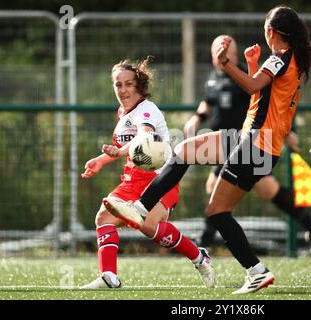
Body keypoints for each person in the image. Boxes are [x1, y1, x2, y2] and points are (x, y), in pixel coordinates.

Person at [103, 6, 311, 294]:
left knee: (217, 211)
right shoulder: (286, 61)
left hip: (255, 145)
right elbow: (259, 92)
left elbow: (252, 85)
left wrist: (228, 65)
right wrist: (252, 64)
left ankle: (256, 271)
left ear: (271, 32)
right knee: (185, 149)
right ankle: (141, 208)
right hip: (252, 141)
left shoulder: (279, 58)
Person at [80, 57, 216, 289]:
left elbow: (144, 137)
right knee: (103, 217)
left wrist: (119, 151)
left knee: (149, 226)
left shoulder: (147, 110)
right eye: (118, 84)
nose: (123, 89)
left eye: (128, 84)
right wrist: (102, 160)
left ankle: (199, 256)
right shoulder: (122, 113)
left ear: (139, 85)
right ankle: (109, 277)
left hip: (159, 179)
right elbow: (130, 146)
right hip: (132, 178)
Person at [184, 35, 311, 248]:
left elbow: (273, 101)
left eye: (227, 48)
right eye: (218, 47)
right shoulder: (213, 78)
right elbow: (207, 102)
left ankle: (310, 221)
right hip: (223, 145)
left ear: (234, 55)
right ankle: (205, 241)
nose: (223, 50)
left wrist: (289, 131)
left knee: (266, 190)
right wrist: (197, 118)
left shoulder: (244, 77)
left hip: (246, 145)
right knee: (216, 188)